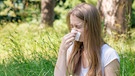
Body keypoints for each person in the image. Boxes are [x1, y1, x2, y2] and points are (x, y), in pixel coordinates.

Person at [54, 3, 120, 76]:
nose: (73, 31)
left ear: (91, 27)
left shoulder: (108, 54)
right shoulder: (72, 49)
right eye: (72, 26)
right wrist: (62, 51)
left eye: (77, 27)